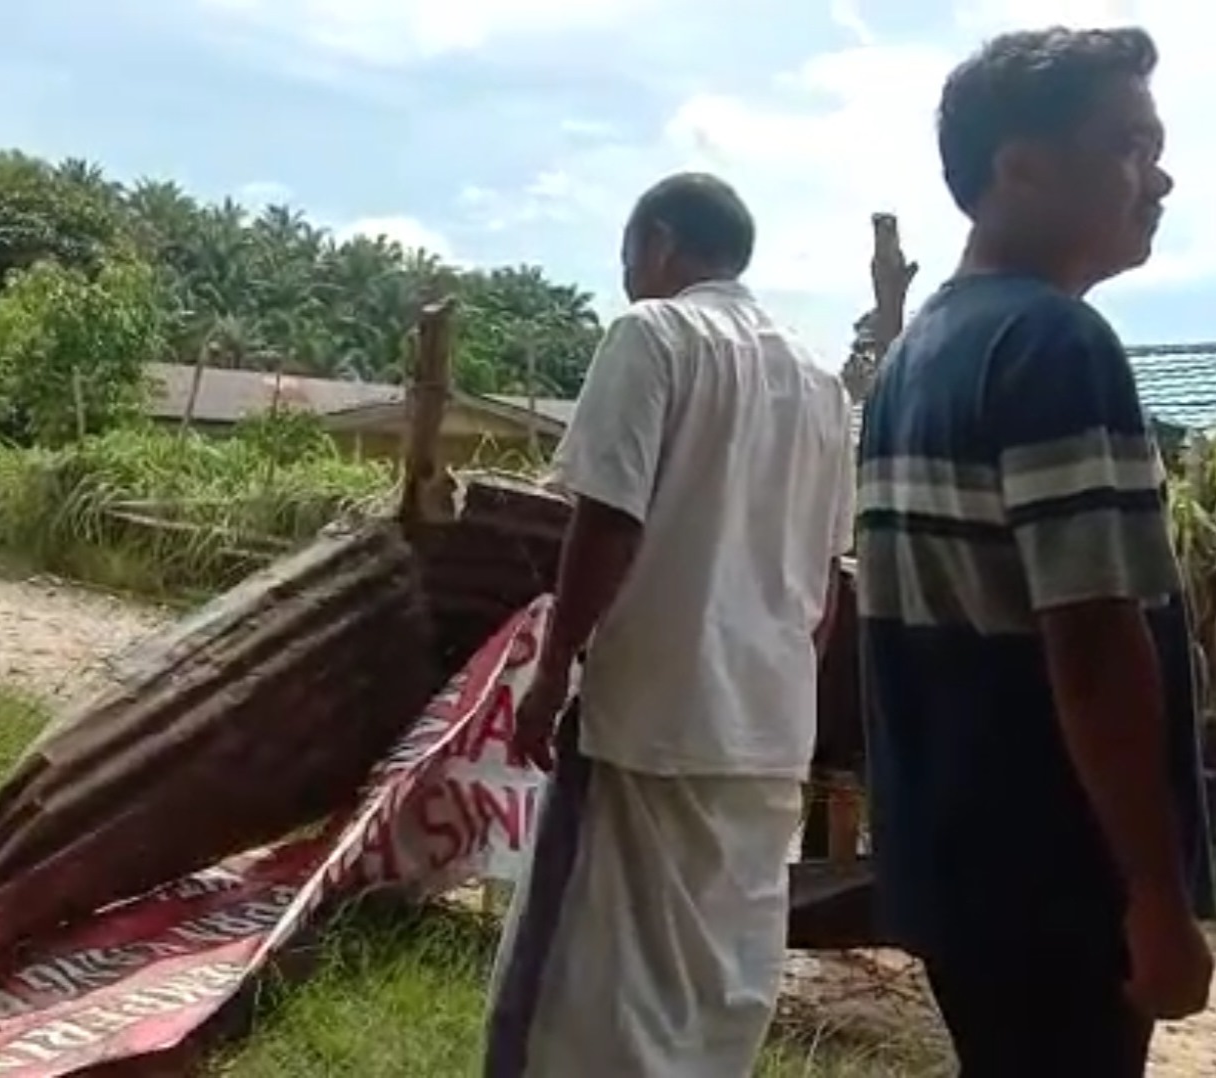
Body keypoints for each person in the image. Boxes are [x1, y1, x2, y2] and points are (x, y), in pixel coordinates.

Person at [857, 26, 1214, 1077]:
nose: (1159, 176)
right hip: (1056, 880)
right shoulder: (1054, 344)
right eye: (1128, 145)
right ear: (1020, 165)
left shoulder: (917, 355)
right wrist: (1153, 893)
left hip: (957, 872)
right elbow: (1094, 639)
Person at [487, 173, 855, 1076]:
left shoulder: (652, 335)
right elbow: (826, 587)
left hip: (649, 726)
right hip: (767, 738)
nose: (626, 278)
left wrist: (553, 670)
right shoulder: (820, 385)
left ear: (657, 242)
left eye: (624, 258)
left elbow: (608, 520)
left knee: (585, 982)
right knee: (716, 986)